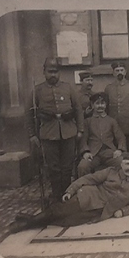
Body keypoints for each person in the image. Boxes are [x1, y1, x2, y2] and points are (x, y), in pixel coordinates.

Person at [8, 153, 129, 233]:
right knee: (59, 211)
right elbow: (88, 178)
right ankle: (25, 225)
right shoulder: (110, 172)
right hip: (88, 197)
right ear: (121, 164)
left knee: (65, 221)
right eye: (127, 164)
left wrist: (123, 211)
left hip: (100, 211)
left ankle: (27, 218)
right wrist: (71, 190)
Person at [27, 57, 84, 203]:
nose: (53, 75)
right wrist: (32, 134)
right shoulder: (37, 91)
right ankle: (57, 196)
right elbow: (29, 114)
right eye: (50, 72)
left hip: (68, 131)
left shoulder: (68, 88)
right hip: (48, 133)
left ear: (60, 72)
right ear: (44, 72)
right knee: (53, 167)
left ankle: (67, 195)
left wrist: (80, 130)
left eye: (56, 72)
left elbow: (78, 110)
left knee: (67, 166)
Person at [77, 92, 127, 178]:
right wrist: (85, 152)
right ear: (92, 105)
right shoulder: (87, 121)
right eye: (97, 103)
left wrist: (119, 150)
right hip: (93, 153)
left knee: (121, 163)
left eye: (102, 103)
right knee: (83, 166)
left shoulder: (112, 121)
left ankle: (119, 188)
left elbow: (120, 137)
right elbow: (83, 140)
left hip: (109, 152)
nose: (100, 106)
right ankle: (85, 189)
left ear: (106, 105)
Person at [104, 62, 129, 151]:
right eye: (117, 70)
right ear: (113, 73)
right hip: (114, 122)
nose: (119, 72)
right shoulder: (108, 88)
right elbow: (105, 106)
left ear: (125, 72)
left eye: (121, 70)